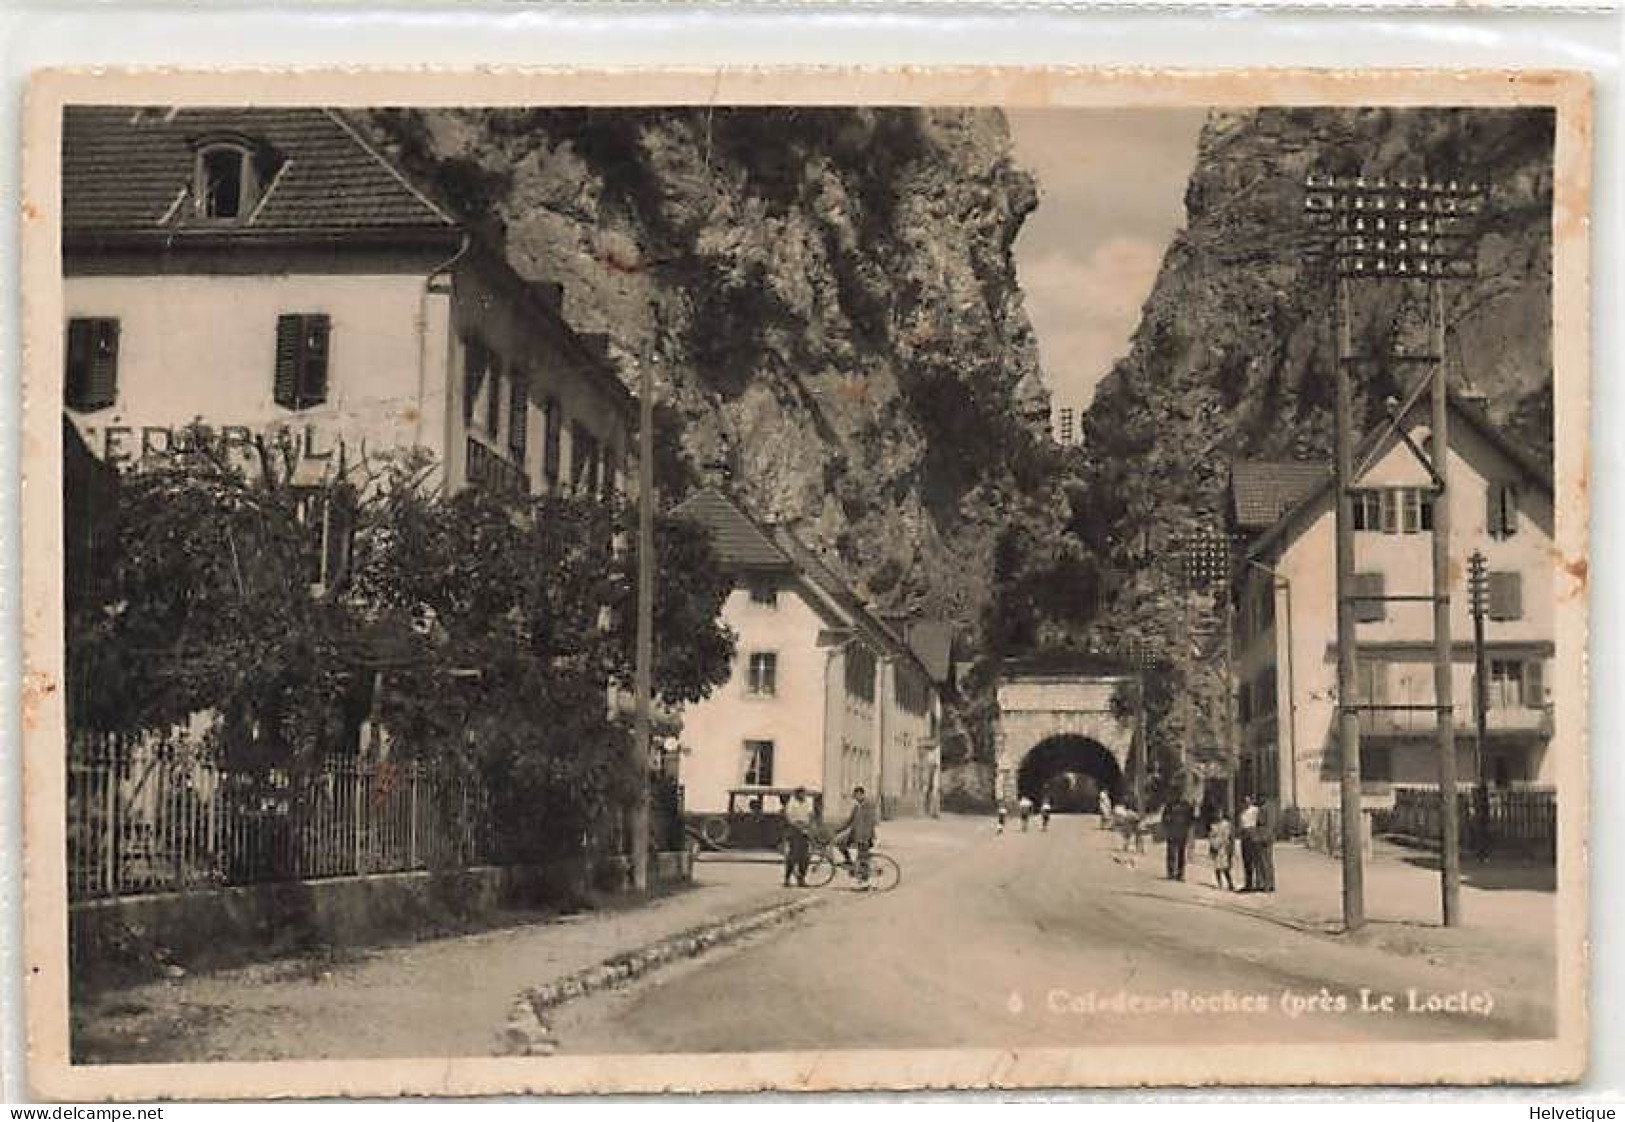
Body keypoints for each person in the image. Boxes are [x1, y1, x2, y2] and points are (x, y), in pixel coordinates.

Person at [834, 785, 880, 886]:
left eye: (857, 795)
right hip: (854, 834)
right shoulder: (857, 806)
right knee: (839, 842)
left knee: (862, 858)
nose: (855, 798)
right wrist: (838, 829)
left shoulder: (869, 805)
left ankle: (864, 881)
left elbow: (870, 823)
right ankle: (848, 861)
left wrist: (866, 838)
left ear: (862, 794)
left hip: (864, 836)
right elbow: (849, 821)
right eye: (854, 796)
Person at [782, 786, 816, 888]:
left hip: (805, 831)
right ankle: (787, 879)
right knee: (793, 856)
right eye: (802, 794)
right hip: (795, 831)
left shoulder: (807, 803)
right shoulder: (792, 804)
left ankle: (801, 879)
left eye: (804, 793)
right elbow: (789, 818)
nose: (804, 795)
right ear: (797, 794)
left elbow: (810, 815)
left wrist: (809, 826)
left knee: (805, 857)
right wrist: (799, 827)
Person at [1162, 789, 1196, 881]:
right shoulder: (1170, 805)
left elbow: (1191, 819)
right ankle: (1171, 873)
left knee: (1181, 854)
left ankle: (1180, 874)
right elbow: (1164, 817)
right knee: (1171, 854)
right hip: (1173, 832)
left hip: (1182, 832)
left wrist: (1188, 828)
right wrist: (1167, 827)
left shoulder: (1188, 805)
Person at [1207, 808, 1236, 891]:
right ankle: (1220, 884)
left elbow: (1227, 836)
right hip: (1215, 847)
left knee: (1225, 867)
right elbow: (1211, 836)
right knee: (1217, 867)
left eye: (1219, 813)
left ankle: (1230, 883)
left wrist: (1226, 845)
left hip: (1223, 847)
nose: (1218, 815)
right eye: (1216, 813)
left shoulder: (1226, 824)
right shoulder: (1213, 825)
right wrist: (1212, 845)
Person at [1254, 796, 1278, 893]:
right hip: (1261, 836)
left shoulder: (1268, 808)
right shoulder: (1262, 808)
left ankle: (1268, 884)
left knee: (1266, 862)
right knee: (1261, 861)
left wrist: (1265, 837)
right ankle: (1263, 883)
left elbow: (1270, 824)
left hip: (1265, 837)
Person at [1238, 795, 1262, 892]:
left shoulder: (1256, 810)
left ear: (1251, 801)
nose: (1246, 803)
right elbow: (1241, 825)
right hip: (1245, 836)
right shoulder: (1242, 813)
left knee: (1255, 861)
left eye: (1248, 800)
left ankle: (1259, 883)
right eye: (1244, 801)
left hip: (1253, 835)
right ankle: (1248, 884)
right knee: (1246, 861)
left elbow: (1260, 823)